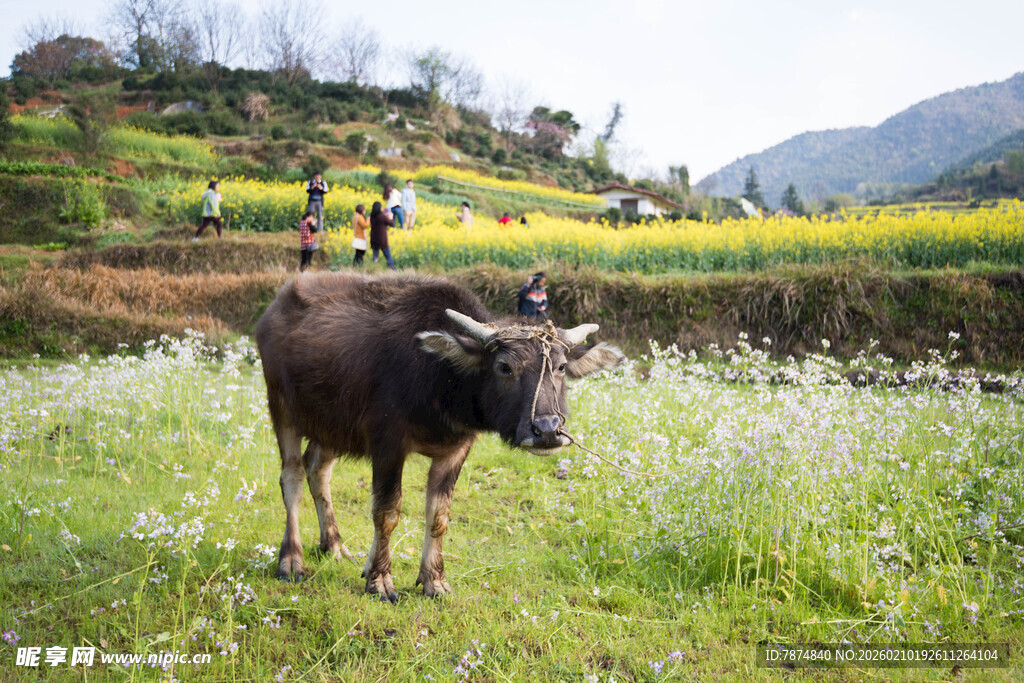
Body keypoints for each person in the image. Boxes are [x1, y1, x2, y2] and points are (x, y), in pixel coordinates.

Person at [369, 201, 395, 269]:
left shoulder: (372, 216)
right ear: (379, 208)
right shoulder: (382, 216)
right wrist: (391, 217)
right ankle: (392, 269)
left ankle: (373, 269)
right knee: (388, 256)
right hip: (382, 239)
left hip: (373, 238)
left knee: (375, 256)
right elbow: (391, 223)